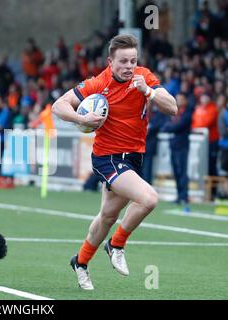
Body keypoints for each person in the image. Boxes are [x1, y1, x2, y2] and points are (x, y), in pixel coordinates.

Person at [52, 34, 177, 290]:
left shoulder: (144, 77)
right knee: (149, 198)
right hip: (107, 158)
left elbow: (173, 108)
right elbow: (58, 105)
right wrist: (81, 119)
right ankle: (116, 244)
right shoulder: (98, 82)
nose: (129, 66)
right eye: (123, 61)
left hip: (133, 158)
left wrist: (149, 92)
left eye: (133, 60)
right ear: (111, 61)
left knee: (107, 216)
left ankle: (81, 262)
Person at [161, 92, 194, 207]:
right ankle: (179, 195)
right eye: (177, 98)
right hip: (173, 145)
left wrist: (170, 128)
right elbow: (166, 125)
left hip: (182, 145)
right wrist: (171, 128)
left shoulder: (187, 113)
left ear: (185, 100)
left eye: (180, 99)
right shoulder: (174, 111)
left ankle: (184, 196)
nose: (178, 101)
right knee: (176, 171)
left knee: (182, 171)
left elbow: (178, 126)